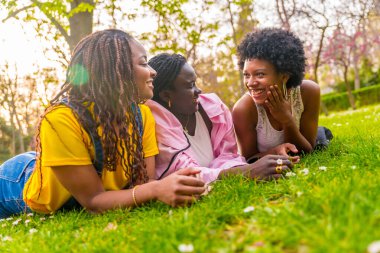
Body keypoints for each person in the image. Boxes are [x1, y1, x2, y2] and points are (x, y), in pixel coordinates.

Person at [0, 29, 206, 219]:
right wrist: (156, 189)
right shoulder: (60, 119)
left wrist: (173, 185)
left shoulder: (142, 114)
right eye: (143, 63)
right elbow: (94, 201)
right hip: (16, 182)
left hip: (61, 163)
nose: (153, 72)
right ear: (116, 70)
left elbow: (144, 183)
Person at [145, 53, 295, 184]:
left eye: (195, 82)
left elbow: (228, 156)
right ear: (166, 95)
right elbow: (184, 174)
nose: (199, 90)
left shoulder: (214, 110)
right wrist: (247, 172)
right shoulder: (154, 122)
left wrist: (255, 165)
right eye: (190, 85)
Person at [232, 28, 320, 162]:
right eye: (246, 75)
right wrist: (275, 151)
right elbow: (249, 159)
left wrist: (287, 119)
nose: (250, 83)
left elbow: (308, 150)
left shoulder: (308, 92)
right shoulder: (243, 109)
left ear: (284, 76)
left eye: (260, 74)